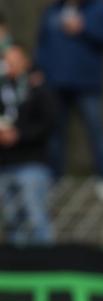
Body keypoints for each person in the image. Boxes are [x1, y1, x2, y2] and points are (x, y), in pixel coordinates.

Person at [36, 0, 103, 191]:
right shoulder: (52, 11)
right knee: (55, 135)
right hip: (56, 84)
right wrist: (39, 70)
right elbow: (42, 44)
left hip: (88, 84)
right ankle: (56, 179)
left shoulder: (100, 9)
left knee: (97, 131)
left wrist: (85, 28)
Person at [0, 44, 57, 245]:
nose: (10, 65)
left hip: (32, 163)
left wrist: (19, 135)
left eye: (14, 60)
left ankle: (45, 265)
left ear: (25, 62)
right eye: (6, 61)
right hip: (5, 164)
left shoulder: (38, 89)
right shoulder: (2, 89)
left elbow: (48, 123)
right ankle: (19, 268)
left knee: (36, 218)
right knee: (12, 221)